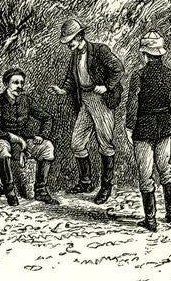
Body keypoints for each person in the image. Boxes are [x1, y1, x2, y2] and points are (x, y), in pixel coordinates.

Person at [51, 18, 124, 204]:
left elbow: (118, 69)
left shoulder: (99, 50)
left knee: (105, 144)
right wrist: (64, 90)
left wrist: (107, 86)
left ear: (80, 36)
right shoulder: (75, 55)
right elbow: (70, 77)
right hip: (85, 101)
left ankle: (106, 187)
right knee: (77, 143)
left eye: (71, 41)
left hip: (101, 101)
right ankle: (86, 182)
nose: (69, 45)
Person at [125, 32, 171, 231]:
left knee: (146, 174)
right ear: (161, 54)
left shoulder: (138, 75)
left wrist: (129, 126)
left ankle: (151, 220)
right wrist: (169, 112)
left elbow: (132, 104)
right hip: (164, 126)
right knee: (166, 169)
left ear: (144, 54)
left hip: (143, 127)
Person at [0, 68, 59, 206]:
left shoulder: (26, 101)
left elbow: (46, 118)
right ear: (6, 84)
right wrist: (15, 138)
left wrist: (42, 135)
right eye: (15, 83)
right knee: (2, 148)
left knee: (47, 147)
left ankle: (41, 190)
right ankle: (10, 192)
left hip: (23, 143)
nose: (19, 86)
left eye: (21, 83)